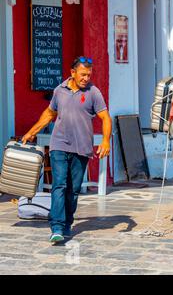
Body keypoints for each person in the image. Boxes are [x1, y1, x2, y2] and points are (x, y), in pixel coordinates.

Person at [22, 56, 112, 245]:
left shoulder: (93, 92)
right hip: (59, 145)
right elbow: (49, 114)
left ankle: (67, 222)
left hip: (82, 149)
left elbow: (105, 118)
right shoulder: (59, 90)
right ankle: (56, 226)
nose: (86, 78)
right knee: (60, 185)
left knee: (73, 190)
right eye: (83, 74)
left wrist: (105, 141)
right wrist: (31, 132)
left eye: (89, 74)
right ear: (72, 73)